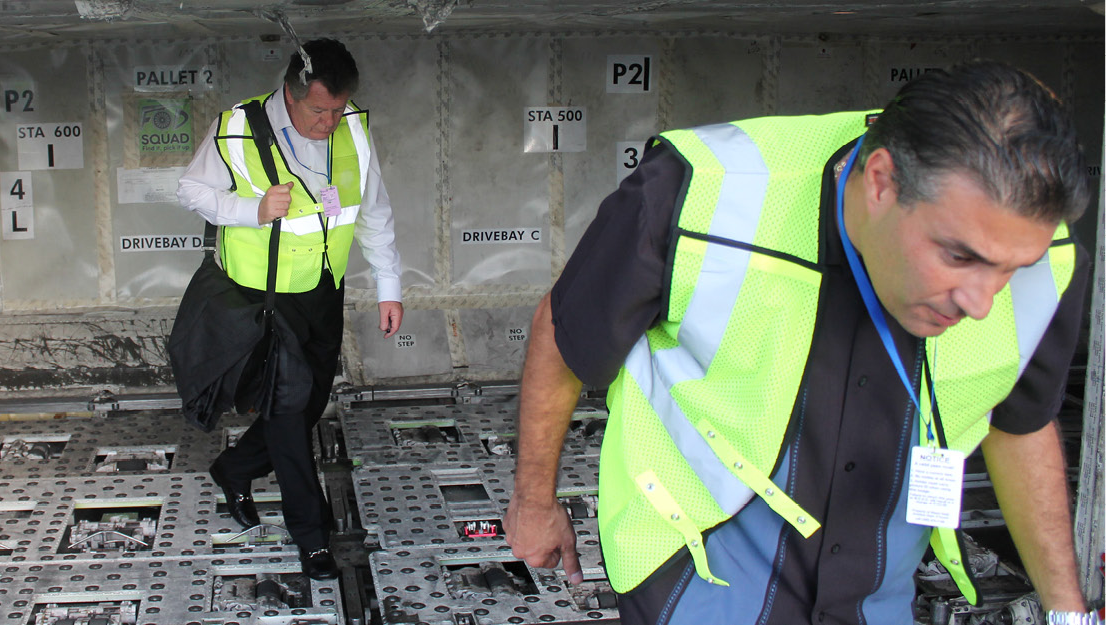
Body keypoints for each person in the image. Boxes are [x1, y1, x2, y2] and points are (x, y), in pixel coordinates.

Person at [504, 60, 1096, 624]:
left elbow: (1020, 421)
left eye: (1010, 268)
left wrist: (1066, 609)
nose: (982, 302)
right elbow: (563, 333)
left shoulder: (1042, 254)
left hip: (877, 593)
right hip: (699, 578)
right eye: (958, 256)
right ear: (883, 181)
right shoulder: (700, 191)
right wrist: (534, 503)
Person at [177, 38, 403, 580]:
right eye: (319, 110)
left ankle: (234, 469)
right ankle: (312, 534)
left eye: (338, 108)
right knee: (286, 413)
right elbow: (191, 189)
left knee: (309, 402)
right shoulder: (238, 127)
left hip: (323, 289)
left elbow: (372, 210)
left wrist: (390, 284)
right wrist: (250, 209)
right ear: (292, 94)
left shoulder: (352, 129)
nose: (330, 120)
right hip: (265, 297)